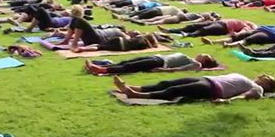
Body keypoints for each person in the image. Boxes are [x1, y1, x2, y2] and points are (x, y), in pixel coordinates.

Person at [111, 73, 275, 102]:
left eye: (268, 78)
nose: (263, 76)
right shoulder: (248, 78)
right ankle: (133, 88)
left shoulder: (258, 89)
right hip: (207, 79)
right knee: (167, 83)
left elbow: (248, 95)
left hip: (213, 88)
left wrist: (228, 101)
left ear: (268, 85)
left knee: (174, 91)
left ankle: (135, 95)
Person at [58, 5, 126, 51]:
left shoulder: (120, 33)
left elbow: (126, 38)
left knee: (78, 20)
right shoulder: (116, 29)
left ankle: (74, 43)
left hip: (96, 39)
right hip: (95, 36)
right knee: (74, 20)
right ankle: (66, 40)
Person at [85, 53, 219, 75]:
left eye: (205, 56)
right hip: (157, 57)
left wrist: (164, 71)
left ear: (205, 61)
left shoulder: (197, 65)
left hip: (160, 62)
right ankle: (103, 67)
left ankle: (102, 70)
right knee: (127, 62)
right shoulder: (192, 58)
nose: (201, 54)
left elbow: (180, 69)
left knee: (130, 67)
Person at [202, 25, 275, 47]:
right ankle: (213, 42)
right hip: (260, 29)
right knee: (238, 36)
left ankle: (229, 45)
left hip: (270, 35)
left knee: (251, 39)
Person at [73, 33, 159, 53]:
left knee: (101, 44)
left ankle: (85, 47)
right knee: (101, 47)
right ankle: (83, 49)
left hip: (120, 39)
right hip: (122, 46)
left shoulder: (140, 37)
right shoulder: (144, 45)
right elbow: (153, 46)